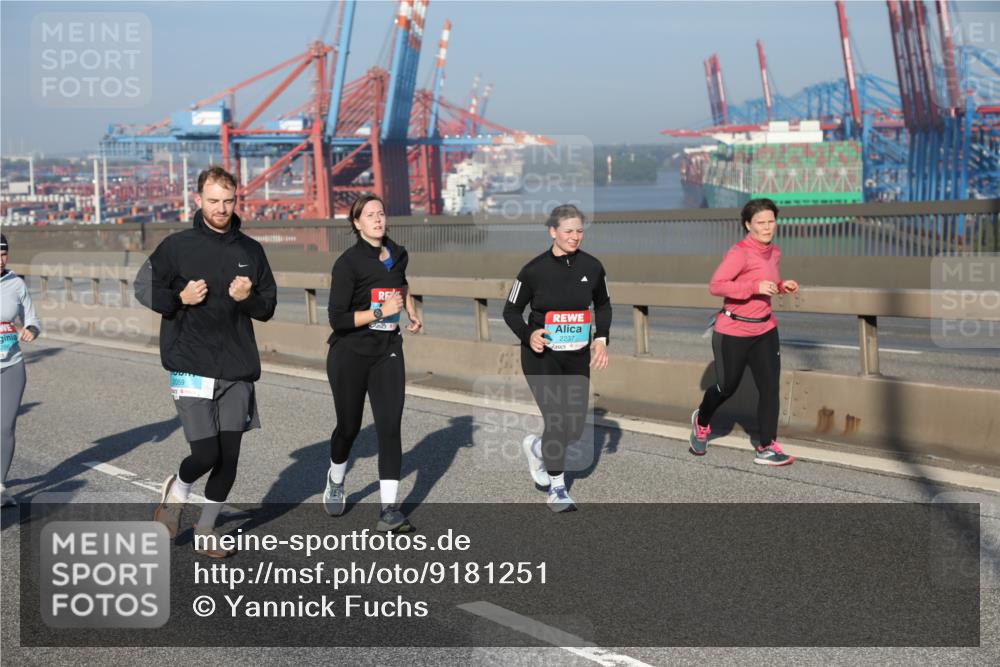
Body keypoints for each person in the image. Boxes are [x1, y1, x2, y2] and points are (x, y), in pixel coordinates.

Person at [136, 167, 277, 557]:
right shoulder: (177, 247)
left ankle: (206, 530)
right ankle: (177, 491)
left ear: (237, 200)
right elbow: (143, 286)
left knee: (228, 458)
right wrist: (179, 298)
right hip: (190, 363)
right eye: (213, 201)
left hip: (236, 367)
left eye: (228, 201)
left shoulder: (251, 251)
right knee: (206, 455)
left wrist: (248, 296)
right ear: (198, 200)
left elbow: (267, 307)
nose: (221, 208)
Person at [503, 204, 611, 512]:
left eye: (579, 231)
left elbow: (603, 305)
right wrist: (529, 335)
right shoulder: (533, 270)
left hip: (576, 356)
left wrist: (601, 339)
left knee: (573, 429)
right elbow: (510, 311)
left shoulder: (592, 267)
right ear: (553, 232)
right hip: (542, 356)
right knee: (556, 419)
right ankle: (558, 489)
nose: (575, 237)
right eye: (568, 231)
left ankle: (536, 447)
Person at [324, 194, 422, 532]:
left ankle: (389, 510)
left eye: (381, 213)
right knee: (349, 428)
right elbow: (336, 318)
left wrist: (409, 308)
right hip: (349, 354)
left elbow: (401, 283)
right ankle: (336, 478)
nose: (378, 219)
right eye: (370, 215)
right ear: (357, 223)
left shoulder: (398, 254)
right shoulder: (347, 264)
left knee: (389, 427)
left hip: (387, 351)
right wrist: (380, 312)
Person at [690, 197, 799, 466]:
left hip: (765, 329)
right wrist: (754, 288)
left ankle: (767, 446)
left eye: (771, 221)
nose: (767, 227)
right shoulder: (739, 252)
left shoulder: (774, 251)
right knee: (727, 387)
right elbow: (717, 286)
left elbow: (766, 280)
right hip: (734, 330)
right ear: (748, 224)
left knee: (770, 388)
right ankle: (702, 420)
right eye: (760, 222)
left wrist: (781, 285)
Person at [0, 234, 41, 507]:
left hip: (11, 365)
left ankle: (0, 486)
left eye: (4, 253)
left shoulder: (16, 284)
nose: (0, 258)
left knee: (4, 426)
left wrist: (31, 329)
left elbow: (32, 318)